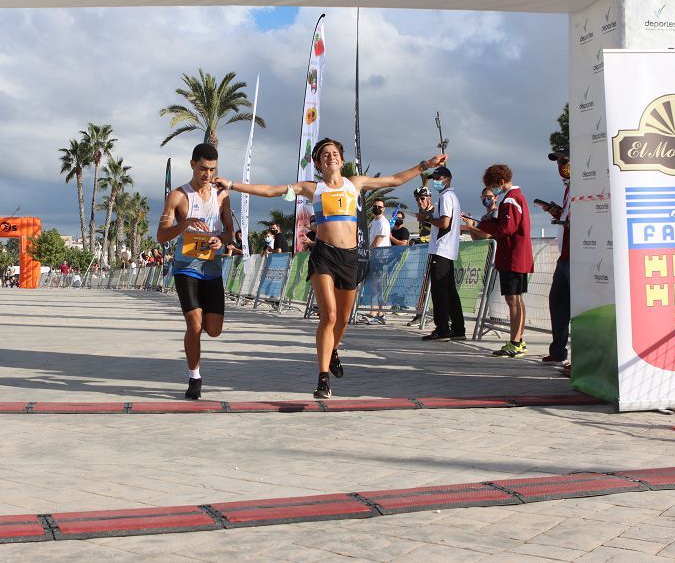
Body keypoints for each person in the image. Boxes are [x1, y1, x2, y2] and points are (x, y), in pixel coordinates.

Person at [215, 138, 445, 399]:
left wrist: (425, 165)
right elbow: (270, 190)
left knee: (344, 319)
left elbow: (393, 180)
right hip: (324, 255)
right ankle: (323, 379)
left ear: (342, 160)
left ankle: (332, 349)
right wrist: (232, 184)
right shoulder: (312, 188)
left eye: (335, 153)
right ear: (317, 162)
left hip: (349, 258)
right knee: (330, 316)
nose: (330, 157)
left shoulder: (355, 183)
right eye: (325, 154)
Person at [156, 143, 235, 401]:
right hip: (186, 268)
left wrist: (220, 241)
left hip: (212, 269)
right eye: (203, 168)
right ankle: (194, 377)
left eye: (212, 169)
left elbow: (229, 232)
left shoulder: (221, 196)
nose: (207, 175)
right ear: (192, 165)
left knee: (213, 330)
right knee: (194, 324)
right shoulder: (178, 196)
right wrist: (185, 224)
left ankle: (195, 370)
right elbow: (161, 235)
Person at [464, 164, 533, 357]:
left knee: (513, 299)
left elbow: (506, 229)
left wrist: (485, 225)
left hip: (512, 255)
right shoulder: (516, 197)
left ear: (500, 182)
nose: (492, 190)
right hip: (516, 254)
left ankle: (515, 341)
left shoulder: (511, 200)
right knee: (517, 298)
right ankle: (518, 339)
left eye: (493, 185)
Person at [417, 166, 466, 342]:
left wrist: (427, 218)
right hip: (448, 250)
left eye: (438, 178)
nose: (435, 181)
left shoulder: (446, 197)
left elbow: (444, 223)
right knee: (450, 291)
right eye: (434, 178)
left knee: (439, 292)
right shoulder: (451, 197)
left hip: (441, 249)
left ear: (447, 179)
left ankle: (442, 329)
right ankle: (458, 328)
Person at [541, 148, 571, 368]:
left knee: (576, 308)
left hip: (579, 255)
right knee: (557, 302)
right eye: (559, 162)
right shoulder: (569, 187)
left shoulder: (587, 184)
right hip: (565, 254)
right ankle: (558, 351)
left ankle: (578, 357)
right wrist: (557, 213)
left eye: (565, 161)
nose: (561, 165)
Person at [362, 199, 392, 325]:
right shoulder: (374, 221)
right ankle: (377, 312)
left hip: (381, 257)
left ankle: (377, 312)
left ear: (384, 208)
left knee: (377, 285)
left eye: (380, 206)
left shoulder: (383, 223)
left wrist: (369, 251)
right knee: (375, 286)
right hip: (375, 256)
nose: (377, 208)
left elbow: (378, 239)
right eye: (375, 206)